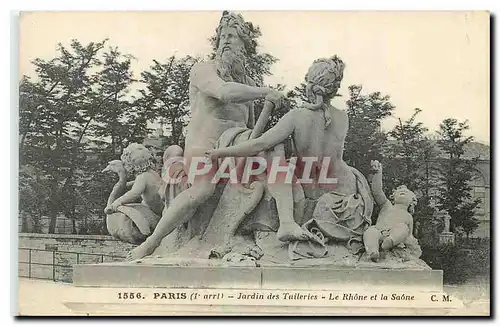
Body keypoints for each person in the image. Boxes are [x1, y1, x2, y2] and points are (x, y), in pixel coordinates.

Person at [125, 12, 294, 261]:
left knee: (275, 149)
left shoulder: (246, 81)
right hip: (203, 147)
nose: (225, 41)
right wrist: (266, 91)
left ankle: (280, 226)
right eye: (222, 36)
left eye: (232, 37)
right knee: (203, 189)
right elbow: (223, 92)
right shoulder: (203, 70)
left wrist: (257, 141)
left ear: (244, 46)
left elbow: (251, 128)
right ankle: (151, 243)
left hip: (233, 147)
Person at [362, 160, 418, 262]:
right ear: (393, 197)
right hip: (379, 231)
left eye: (406, 193)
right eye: (400, 192)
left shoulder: (408, 216)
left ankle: (389, 242)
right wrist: (378, 173)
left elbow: (409, 235)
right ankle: (373, 251)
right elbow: (377, 191)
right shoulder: (386, 205)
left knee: (403, 228)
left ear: (412, 201)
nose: (402, 192)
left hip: (395, 237)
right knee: (370, 232)